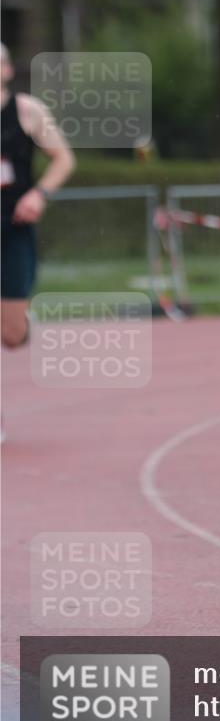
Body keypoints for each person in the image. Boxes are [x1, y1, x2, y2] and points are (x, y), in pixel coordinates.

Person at [1, 42, 75, 437]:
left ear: (7, 71)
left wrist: (39, 193)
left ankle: (18, 322)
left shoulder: (27, 111)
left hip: (13, 228)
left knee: (11, 336)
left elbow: (63, 158)